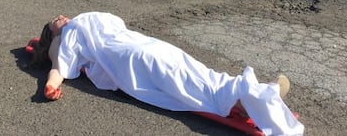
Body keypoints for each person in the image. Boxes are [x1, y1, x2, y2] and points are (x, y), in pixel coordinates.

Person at [31, 12, 304, 136]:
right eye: (55, 20)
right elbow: (59, 66)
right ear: (51, 33)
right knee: (184, 80)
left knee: (192, 71)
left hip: (140, 44)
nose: (60, 17)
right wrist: (50, 87)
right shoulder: (64, 38)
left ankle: (243, 96)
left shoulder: (78, 23)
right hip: (132, 57)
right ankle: (246, 98)